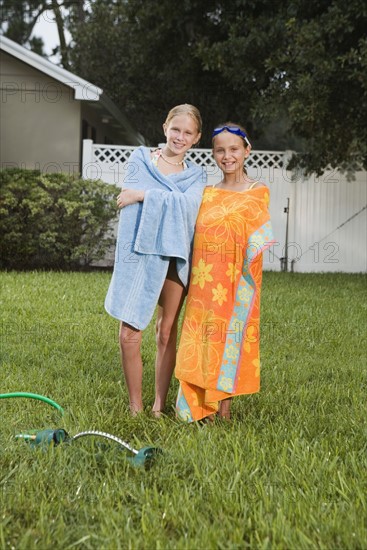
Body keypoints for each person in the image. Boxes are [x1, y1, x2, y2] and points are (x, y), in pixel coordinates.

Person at [105, 104, 205, 416]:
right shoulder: (140, 159)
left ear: (196, 138)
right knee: (128, 333)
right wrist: (150, 196)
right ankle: (135, 407)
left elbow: (190, 208)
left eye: (188, 133)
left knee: (166, 330)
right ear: (165, 127)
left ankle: (158, 405)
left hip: (175, 255)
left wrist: (144, 195)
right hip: (139, 254)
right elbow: (131, 195)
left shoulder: (195, 175)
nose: (180, 137)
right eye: (176, 129)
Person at [175, 123, 275, 422]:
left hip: (236, 282)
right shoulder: (206, 192)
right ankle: (199, 409)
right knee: (202, 340)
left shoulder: (257, 192)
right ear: (214, 154)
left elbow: (259, 236)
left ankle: (225, 410)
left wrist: (243, 280)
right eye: (220, 150)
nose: (227, 156)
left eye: (234, 149)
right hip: (203, 283)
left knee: (229, 339)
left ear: (247, 151)